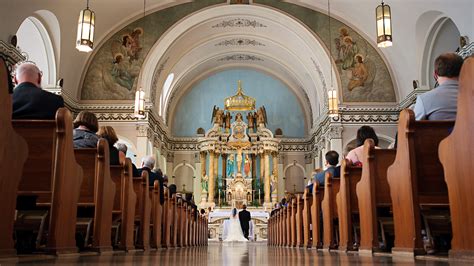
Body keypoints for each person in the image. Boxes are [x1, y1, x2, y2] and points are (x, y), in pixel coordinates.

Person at [413, 53, 463, 120]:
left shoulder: (424, 99)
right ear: (463, 72)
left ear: (435, 75)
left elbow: (413, 128)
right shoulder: (471, 95)